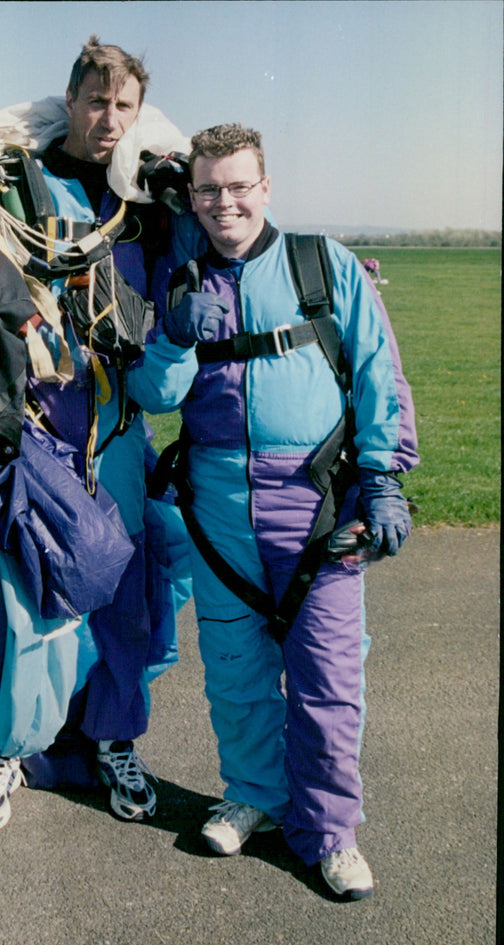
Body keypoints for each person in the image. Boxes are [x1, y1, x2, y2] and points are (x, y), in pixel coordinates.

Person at [129, 124, 418, 899]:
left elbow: (377, 377)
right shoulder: (182, 280)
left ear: (265, 187)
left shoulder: (325, 266)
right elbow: (155, 398)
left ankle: (329, 831)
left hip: (318, 506)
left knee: (327, 676)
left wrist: (385, 477)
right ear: (192, 197)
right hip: (217, 509)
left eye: (238, 186)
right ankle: (254, 794)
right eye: (209, 189)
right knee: (234, 670)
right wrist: (176, 339)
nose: (225, 202)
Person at [0, 36, 198, 825]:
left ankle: (114, 739)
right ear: (70, 100)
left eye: (123, 106)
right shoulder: (6, 186)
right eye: (96, 101)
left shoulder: (147, 206)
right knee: (29, 589)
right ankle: (12, 744)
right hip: (35, 430)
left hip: (118, 434)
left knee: (126, 594)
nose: (108, 120)